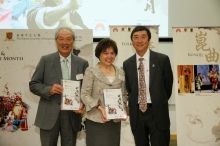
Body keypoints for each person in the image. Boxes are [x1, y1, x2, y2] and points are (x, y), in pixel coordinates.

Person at [29, 27, 89, 146]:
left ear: (73, 41)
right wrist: (49, 90)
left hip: (72, 116)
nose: (65, 42)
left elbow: (86, 89)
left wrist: (82, 103)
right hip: (49, 114)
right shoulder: (46, 60)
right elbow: (33, 84)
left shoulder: (83, 63)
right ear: (56, 41)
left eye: (68, 39)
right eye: (61, 39)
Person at [123, 26, 173, 146]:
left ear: (149, 40)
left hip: (157, 112)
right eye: (136, 37)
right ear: (132, 42)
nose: (139, 40)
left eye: (143, 37)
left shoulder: (162, 59)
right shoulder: (127, 63)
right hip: (137, 112)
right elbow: (129, 88)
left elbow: (167, 86)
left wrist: (158, 100)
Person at [81, 38, 127, 146]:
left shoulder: (121, 72)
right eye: (105, 53)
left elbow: (123, 94)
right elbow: (84, 94)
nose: (109, 56)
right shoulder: (91, 71)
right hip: (96, 119)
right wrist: (100, 107)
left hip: (115, 121)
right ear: (99, 54)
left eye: (112, 53)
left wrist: (123, 108)